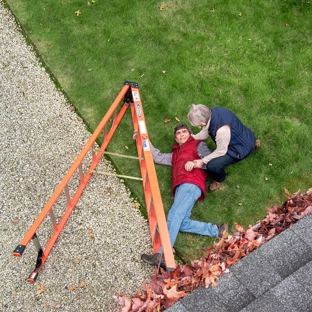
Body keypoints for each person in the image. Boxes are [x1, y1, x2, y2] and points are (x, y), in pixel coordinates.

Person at [135, 123, 228, 267]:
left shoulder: (198, 144)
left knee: (174, 215)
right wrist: (143, 140)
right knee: (182, 223)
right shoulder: (175, 154)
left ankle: (162, 255)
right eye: (179, 133)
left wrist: (197, 163)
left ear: (190, 134)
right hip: (182, 188)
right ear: (176, 138)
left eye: (184, 132)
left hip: (191, 183)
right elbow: (158, 157)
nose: (182, 134)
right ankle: (218, 230)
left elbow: (212, 161)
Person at [187, 105, 260, 191]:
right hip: (246, 136)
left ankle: (219, 179)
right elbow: (206, 130)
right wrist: (194, 137)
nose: (199, 126)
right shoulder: (214, 112)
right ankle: (253, 143)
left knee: (211, 166)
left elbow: (221, 151)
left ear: (203, 123)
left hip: (239, 150)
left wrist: (203, 161)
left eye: (199, 125)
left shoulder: (222, 131)